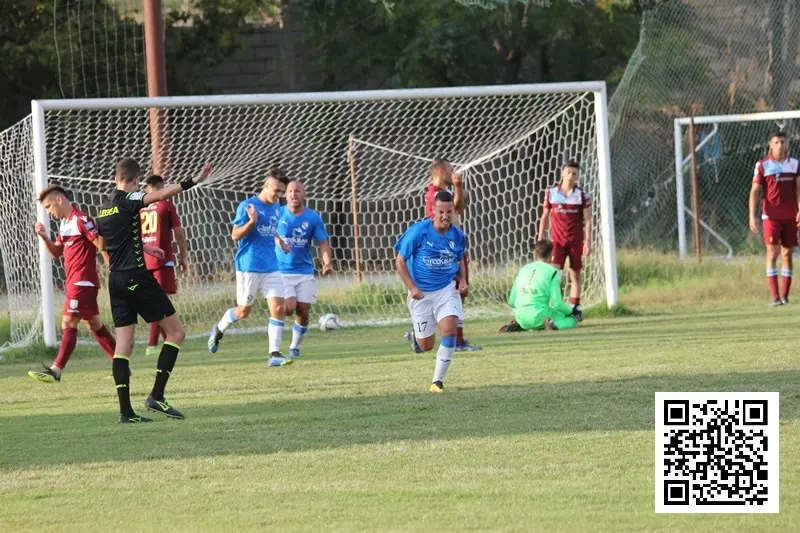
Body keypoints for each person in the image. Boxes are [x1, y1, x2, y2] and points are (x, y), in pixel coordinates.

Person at [96, 157, 213, 423]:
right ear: (136, 180)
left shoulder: (103, 208)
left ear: (116, 177)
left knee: (123, 347)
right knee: (177, 332)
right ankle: (156, 396)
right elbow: (160, 194)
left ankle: (126, 412)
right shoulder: (130, 200)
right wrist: (193, 181)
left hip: (115, 280)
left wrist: (144, 247)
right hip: (136, 277)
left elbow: (104, 244)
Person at [27, 185, 117, 383]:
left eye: (49, 207)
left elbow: (100, 245)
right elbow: (56, 253)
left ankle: (56, 369)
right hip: (76, 282)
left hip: (83, 281)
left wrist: (112, 262)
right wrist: (44, 236)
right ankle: (121, 366)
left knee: (68, 322)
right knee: (94, 324)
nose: (49, 212)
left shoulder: (81, 220)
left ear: (60, 200)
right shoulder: (65, 224)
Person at [207, 167, 292, 367]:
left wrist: (279, 241)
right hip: (248, 266)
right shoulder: (247, 206)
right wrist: (252, 221)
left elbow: (270, 230)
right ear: (266, 185)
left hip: (272, 266)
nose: (279, 195)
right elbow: (235, 235)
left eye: (282, 192)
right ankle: (219, 329)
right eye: (277, 191)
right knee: (243, 311)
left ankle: (274, 354)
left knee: (278, 308)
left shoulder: (277, 208)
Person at [395, 190, 468, 393]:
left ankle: (437, 382)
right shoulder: (419, 232)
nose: (445, 216)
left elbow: (460, 258)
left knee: (450, 327)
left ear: (454, 211)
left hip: (446, 289)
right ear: (433, 212)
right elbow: (399, 260)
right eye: (441, 212)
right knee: (426, 345)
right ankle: (415, 337)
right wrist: (412, 287)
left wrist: (462, 280)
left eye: (449, 212)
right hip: (422, 294)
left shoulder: (459, 236)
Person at [405, 158, 481, 353]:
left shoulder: (442, 193)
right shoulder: (435, 194)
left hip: (453, 245)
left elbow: (460, 206)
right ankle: (453, 341)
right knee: (455, 292)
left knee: (458, 293)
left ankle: (451, 339)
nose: (453, 172)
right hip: (444, 249)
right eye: (450, 170)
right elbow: (456, 208)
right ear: (439, 171)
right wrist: (458, 186)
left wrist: (459, 190)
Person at [275, 181, 332, 358]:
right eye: (290, 191)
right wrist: (279, 242)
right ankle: (275, 333)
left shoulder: (313, 217)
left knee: (303, 309)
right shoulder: (277, 213)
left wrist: (327, 263)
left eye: (297, 191)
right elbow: (271, 233)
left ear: (304, 194)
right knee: (289, 308)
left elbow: (322, 242)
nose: (293, 194)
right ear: (285, 195)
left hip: (305, 271)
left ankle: (294, 346)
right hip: (282, 271)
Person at [748, 131, 800, 305]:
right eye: (776, 142)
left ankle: (785, 296)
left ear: (787, 144)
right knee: (773, 253)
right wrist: (751, 216)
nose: (780, 145)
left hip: (791, 216)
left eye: (783, 142)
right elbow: (755, 191)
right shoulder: (763, 165)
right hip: (771, 216)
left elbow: (799, 189)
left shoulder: (794, 164)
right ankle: (775, 297)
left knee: (787, 254)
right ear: (770, 144)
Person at [140, 175, 187, 356]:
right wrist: (183, 257)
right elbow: (179, 233)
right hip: (161, 259)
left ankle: (166, 340)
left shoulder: (140, 208)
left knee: (154, 301)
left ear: (147, 189)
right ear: (162, 188)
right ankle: (152, 345)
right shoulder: (166, 205)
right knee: (159, 302)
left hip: (144, 260)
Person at [537, 160, 592, 315]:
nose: (570, 176)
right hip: (557, 242)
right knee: (553, 275)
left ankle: (575, 307)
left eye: (574, 173)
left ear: (578, 176)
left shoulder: (582, 195)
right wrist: (540, 237)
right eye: (568, 172)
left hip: (575, 241)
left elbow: (588, 220)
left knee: (575, 273)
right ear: (562, 173)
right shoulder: (551, 193)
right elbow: (545, 216)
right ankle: (554, 306)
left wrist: (588, 241)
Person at [500, 240, 581, 333]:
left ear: (535, 253)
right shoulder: (553, 272)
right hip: (540, 317)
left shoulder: (523, 269)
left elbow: (511, 301)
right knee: (571, 321)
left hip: (520, 318)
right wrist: (571, 311)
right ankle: (553, 325)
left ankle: (518, 325)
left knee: (539, 317)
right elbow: (557, 303)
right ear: (551, 254)